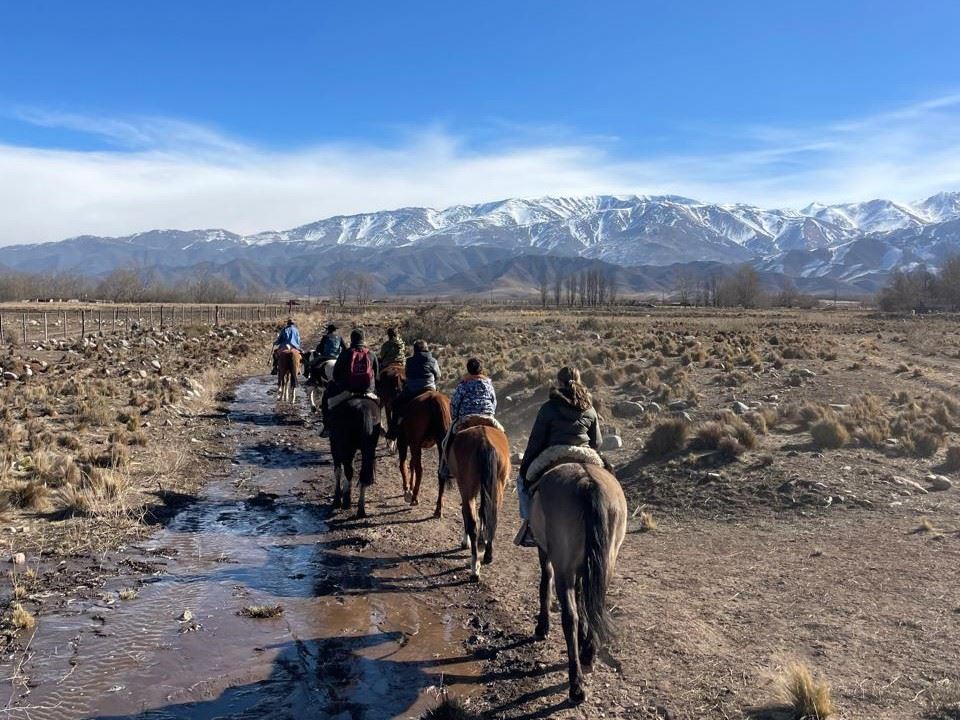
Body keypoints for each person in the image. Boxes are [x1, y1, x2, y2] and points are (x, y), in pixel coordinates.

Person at [514, 366, 602, 547]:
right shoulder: (589, 409)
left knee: (523, 482)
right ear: (579, 381)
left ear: (559, 383)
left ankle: (530, 526)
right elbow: (597, 442)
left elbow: (536, 441)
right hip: (585, 453)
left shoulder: (549, 408)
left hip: (554, 453)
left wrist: (526, 465)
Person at [438, 358, 497, 482]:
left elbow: (454, 404)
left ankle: (446, 468)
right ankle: (503, 468)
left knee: (446, 442)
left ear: (468, 370)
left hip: (467, 418)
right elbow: (494, 402)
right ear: (481, 370)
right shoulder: (488, 384)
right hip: (488, 418)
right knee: (502, 435)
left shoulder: (463, 385)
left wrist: (454, 418)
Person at [321, 328, 380, 437]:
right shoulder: (371, 354)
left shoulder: (345, 354)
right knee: (380, 406)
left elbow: (336, 375)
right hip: (368, 391)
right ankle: (380, 427)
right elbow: (376, 376)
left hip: (348, 391)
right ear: (364, 339)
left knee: (326, 400)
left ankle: (327, 426)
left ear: (352, 339)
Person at [384, 339, 441, 440]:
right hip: (430, 388)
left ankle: (393, 430)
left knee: (396, 403)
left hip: (413, 390)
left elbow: (407, 375)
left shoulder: (409, 361)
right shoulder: (433, 360)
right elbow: (438, 375)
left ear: (415, 350)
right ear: (426, 349)